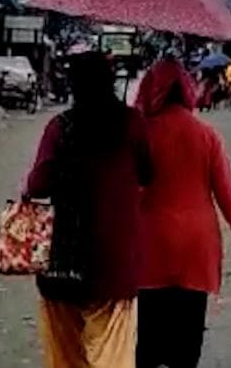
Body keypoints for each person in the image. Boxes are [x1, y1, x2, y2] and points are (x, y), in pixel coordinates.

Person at [23, 51, 153, 368]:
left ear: (73, 86)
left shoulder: (60, 126)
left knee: (66, 354)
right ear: (110, 83)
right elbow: (149, 174)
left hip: (64, 258)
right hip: (115, 260)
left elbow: (38, 185)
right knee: (112, 352)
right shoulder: (132, 123)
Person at [133, 58, 231, 368]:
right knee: (187, 344)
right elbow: (225, 192)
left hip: (149, 246)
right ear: (187, 89)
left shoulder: (141, 134)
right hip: (196, 248)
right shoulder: (206, 134)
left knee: (145, 341)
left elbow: (126, 190)